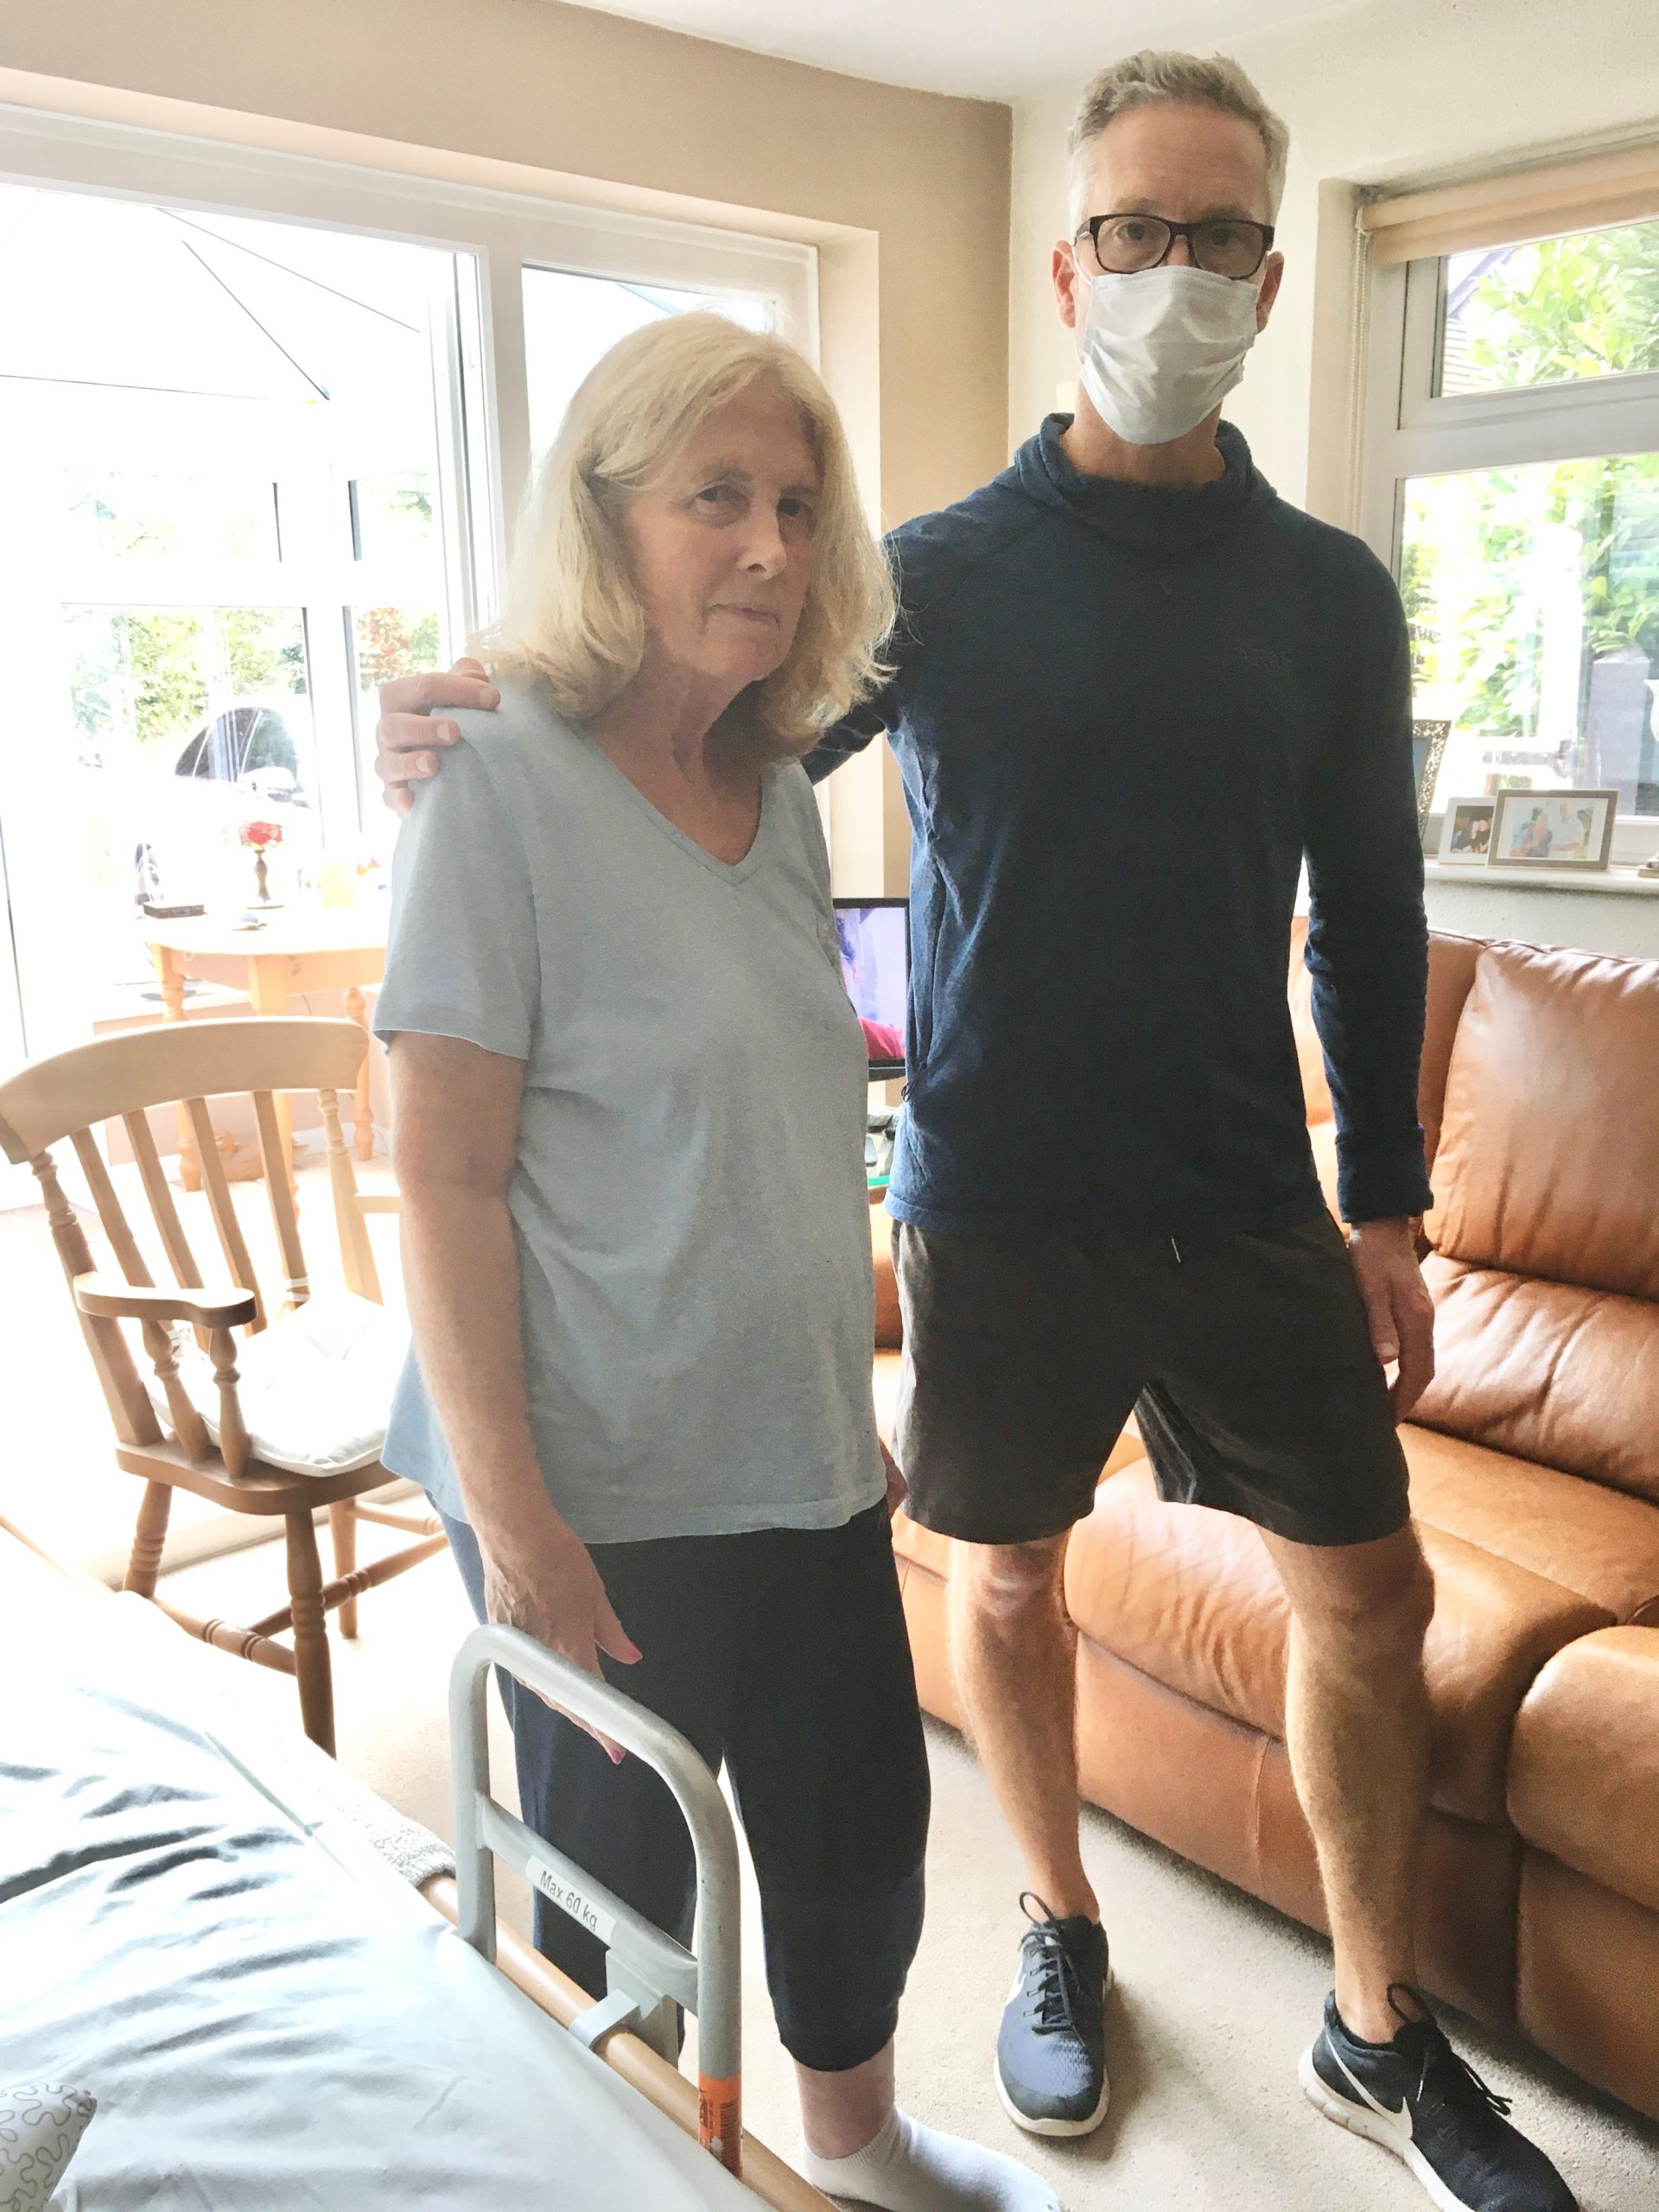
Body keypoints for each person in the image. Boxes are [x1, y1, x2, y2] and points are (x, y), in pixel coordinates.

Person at [372, 52, 1576, 2212]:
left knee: (1373, 1588)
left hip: (1248, 1189)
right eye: (1137, 229)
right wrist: (474, 706)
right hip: (1001, 1194)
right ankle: (1062, 1920)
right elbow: (689, 718)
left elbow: (1376, 912)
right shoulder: (927, 577)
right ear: (1068, 265)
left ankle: (1374, 2022)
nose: (1177, 270)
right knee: (1007, 1578)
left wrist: (1390, 1201)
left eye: (1221, 236)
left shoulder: (1329, 594)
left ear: (1271, 277)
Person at [375, 313, 1055, 2212]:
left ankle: (856, 2147)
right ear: (606, 520)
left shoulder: (776, 783)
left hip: (797, 1449)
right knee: (621, 1882)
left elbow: (759, 1137)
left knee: (857, 1838)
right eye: (717, 498)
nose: (770, 544)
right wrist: (518, 1518)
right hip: (597, 1476)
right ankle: (620, 2176)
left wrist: (844, 1411)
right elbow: (441, 1176)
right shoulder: (489, 776)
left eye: (800, 507)